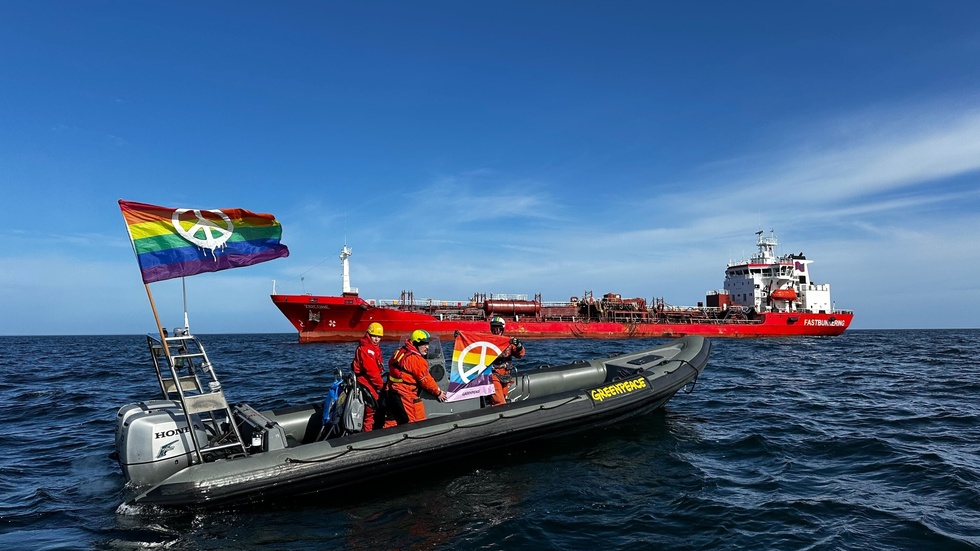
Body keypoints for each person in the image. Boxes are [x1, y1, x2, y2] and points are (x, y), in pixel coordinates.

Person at [386, 329, 447, 424]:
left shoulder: (400, 351)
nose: (427, 347)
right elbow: (426, 380)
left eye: (428, 344)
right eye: (424, 344)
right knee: (415, 420)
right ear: (416, 344)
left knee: (392, 420)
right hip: (405, 392)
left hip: (392, 389)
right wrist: (438, 393)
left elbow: (390, 363)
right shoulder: (416, 360)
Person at [350, 322, 385, 431]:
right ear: (368, 335)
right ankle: (367, 434)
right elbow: (372, 372)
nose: (376, 339)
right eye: (374, 336)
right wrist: (382, 387)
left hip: (368, 382)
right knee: (371, 409)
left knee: (372, 408)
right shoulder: (366, 350)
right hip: (366, 383)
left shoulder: (373, 348)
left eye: (379, 337)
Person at [487, 316, 525, 406]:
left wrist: (519, 346)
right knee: (500, 402)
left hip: (506, 376)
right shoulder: (487, 342)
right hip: (492, 375)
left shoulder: (509, 342)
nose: (496, 331)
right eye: (494, 328)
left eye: (498, 328)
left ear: (502, 329)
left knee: (504, 397)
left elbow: (520, 354)